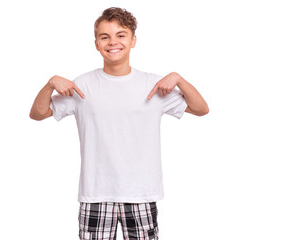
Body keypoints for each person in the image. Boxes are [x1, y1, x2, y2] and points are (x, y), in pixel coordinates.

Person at [30, 7, 208, 240]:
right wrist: (50, 84)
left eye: (121, 35)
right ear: (96, 44)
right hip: (96, 194)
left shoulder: (153, 85)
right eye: (105, 36)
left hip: (141, 194)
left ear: (133, 40)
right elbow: (38, 113)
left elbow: (201, 109)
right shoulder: (82, 85)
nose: (113, 42)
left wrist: (179, 79)